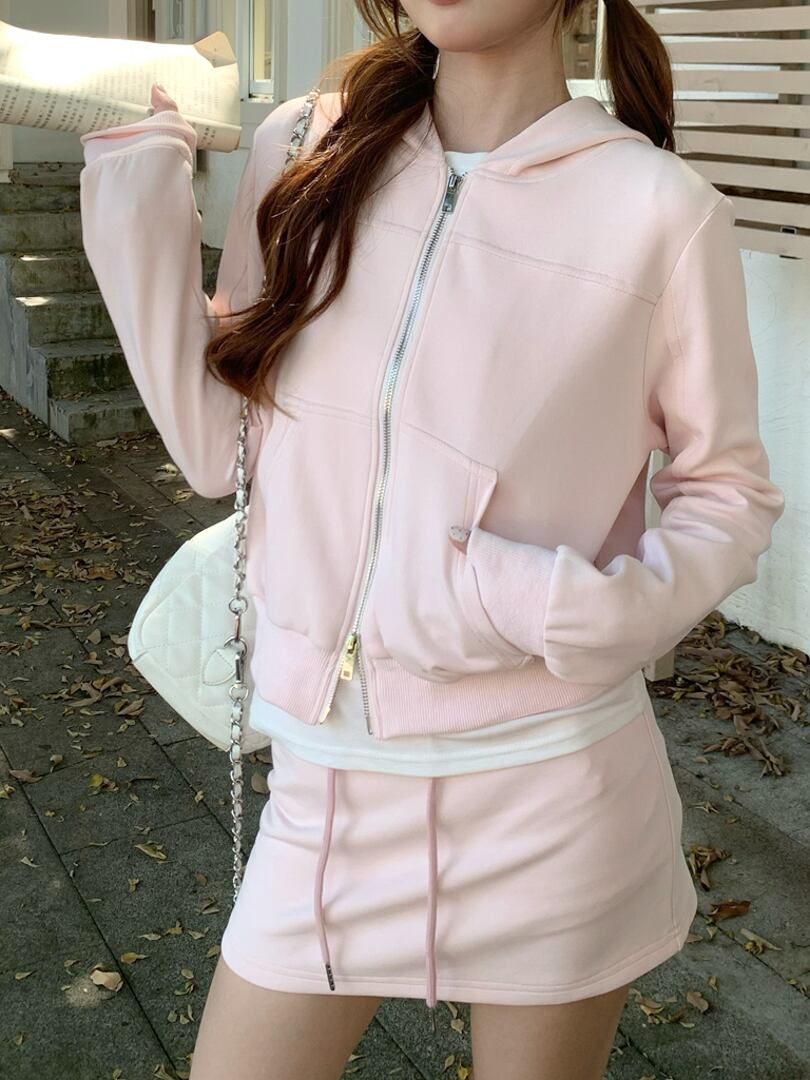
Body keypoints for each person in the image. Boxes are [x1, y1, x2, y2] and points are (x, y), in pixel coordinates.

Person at [78, 1, 785, 1077]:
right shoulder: (307, 151)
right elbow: (226, 447)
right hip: (327, 794)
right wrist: (138, 185)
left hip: (549, 797)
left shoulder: (658, 211)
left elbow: (727, 492)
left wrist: (575, 609)